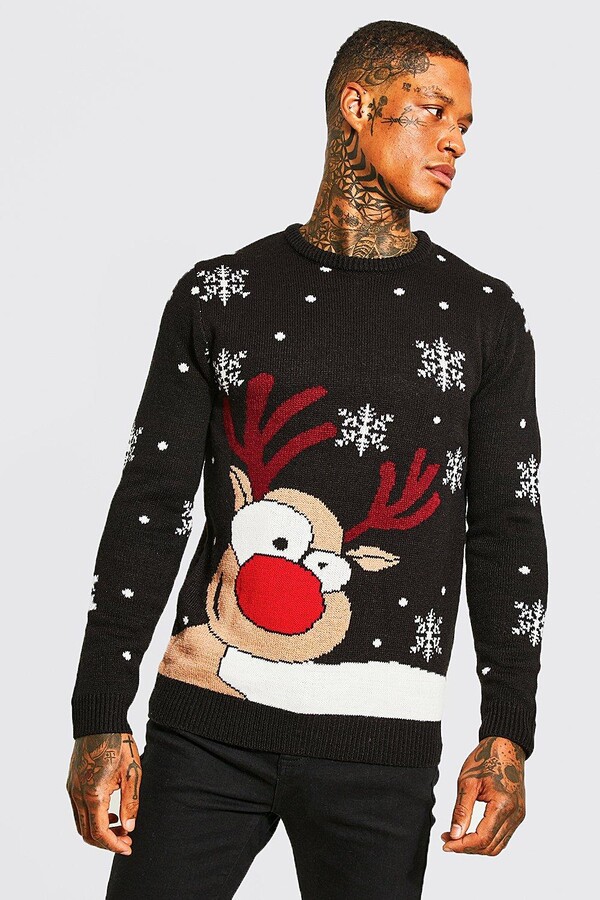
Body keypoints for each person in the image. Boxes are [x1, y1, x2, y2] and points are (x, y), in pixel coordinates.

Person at [66, 19, 549, 899]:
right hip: (205, 730)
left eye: (465, 125)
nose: (455, 142)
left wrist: (508, 729)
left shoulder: (483, 316)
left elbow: (507, 526)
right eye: (434, 111)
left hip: (382, 746)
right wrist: (99, 712)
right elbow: (152, 503)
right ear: (357, 105)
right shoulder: (221, 295)